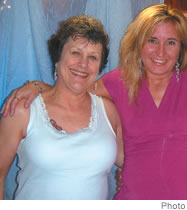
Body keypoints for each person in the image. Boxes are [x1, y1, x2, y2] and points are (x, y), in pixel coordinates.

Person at [0, 4, 187, 199]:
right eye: (152, 40)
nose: (161, 51)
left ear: (181, 47)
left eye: (171, 42)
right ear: (138, 43)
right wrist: (36, 85)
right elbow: (73, 81)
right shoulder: (117, 82)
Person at [0, 15, 123, 200]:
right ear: (57, 57)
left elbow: (130, 161)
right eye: (75, 53)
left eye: (93, 57)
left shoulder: (108, 111)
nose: (83, 64)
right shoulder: (23, 109)